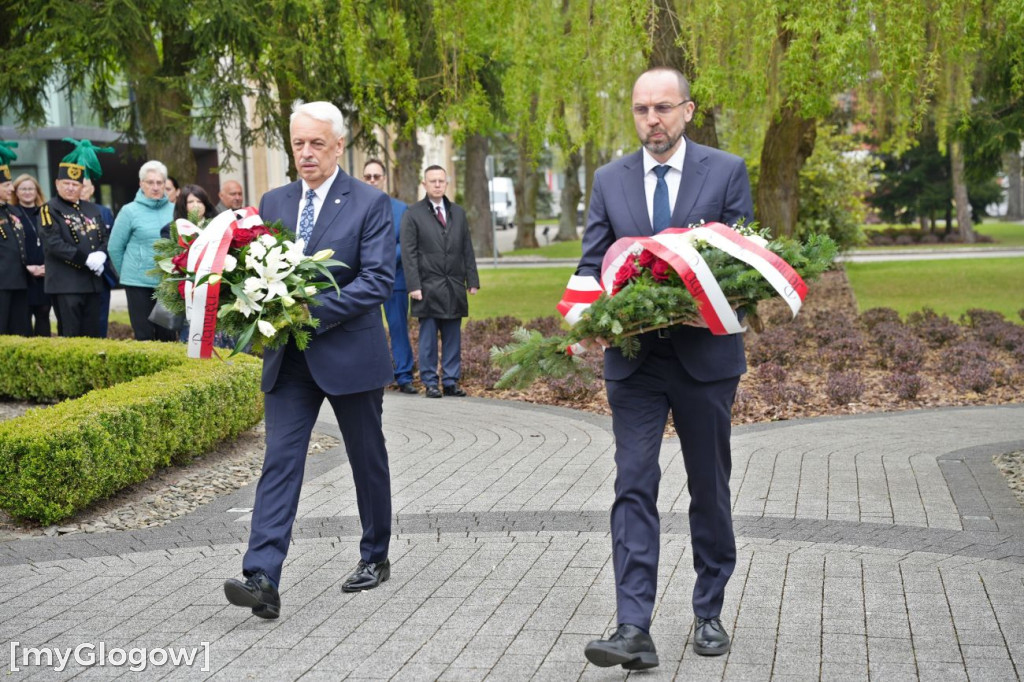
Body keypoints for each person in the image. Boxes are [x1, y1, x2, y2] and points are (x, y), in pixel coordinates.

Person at [579, 67, 755, 669]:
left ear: (687, 110)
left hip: (705, 358)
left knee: (709, 486)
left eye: (662, 107)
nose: (651, 119)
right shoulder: (609, 180)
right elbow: (591, 265)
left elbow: (742, 266)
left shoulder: (725, 172)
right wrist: (586, 317)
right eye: (641, 109)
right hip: (634, 363)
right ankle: (634, 627)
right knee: (633, 484)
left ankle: (709, 611)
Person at [223, 101, 395, 619]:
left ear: (339, 145)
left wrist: (307, 311)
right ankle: (262, 577)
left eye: (317, 143)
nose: (306, 153)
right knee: (280, 460)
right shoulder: (273, 201)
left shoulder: (369, 202)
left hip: (349, 352)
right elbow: (251, 267)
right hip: (289, 359)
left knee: (366, 457)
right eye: (298, 143)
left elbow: (377, 281)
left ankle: (375, 555)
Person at [400, 165, 479, 399]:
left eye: (441, 181)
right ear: (424, 184)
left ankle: (451, 381)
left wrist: (472, 279)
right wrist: (414, 285)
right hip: (426, 287)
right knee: (428, 340)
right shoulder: (413, 214)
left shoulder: (458, 213)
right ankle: (430, 382)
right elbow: (408, 253)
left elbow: (467, 248)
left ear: (447, 183)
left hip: (453, 285)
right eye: (432, 181)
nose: (437, 185)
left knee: (453, 336)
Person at [39, 150, 109, 338]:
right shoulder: (49, 209)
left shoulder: (92, 209)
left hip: (92, 283)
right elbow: (53, 243)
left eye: (75, 184)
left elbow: (105, 236)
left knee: (93, 336)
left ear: (81, 186)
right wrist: (85, 259)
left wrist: (102, 253)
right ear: (57, 184)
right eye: (66, 183)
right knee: (71, 336)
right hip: (66, 284)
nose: (71, 188)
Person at [107, 160, 176, 342]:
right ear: (141, 184)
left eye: (159, 182)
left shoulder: (175, 210)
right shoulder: (129, 211)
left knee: (168, 335)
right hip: (138, 284)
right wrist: (128, 274)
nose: (155, 187)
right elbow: (114, 247)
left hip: (168, 283)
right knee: (144, 335)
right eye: (150, 182)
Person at [363, 158, 416, 394]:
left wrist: (380, 262)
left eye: (376, 176)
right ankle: (372, 375)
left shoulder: (400, 209)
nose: (372, 180)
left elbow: (405, 244)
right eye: (368, 177)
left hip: (395, 279)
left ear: (384, 179)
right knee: (366, 330)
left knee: (398, 328)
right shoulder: (355, 207)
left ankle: (404, 376)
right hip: (364, 282)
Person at [9, 174, 50, 336]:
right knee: (23, 318)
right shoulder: (11, 214)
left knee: (44, 314)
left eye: (31, 189)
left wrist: (47, 266)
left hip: (45, 273)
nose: (27, 192)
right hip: (22, 274)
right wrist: (27, 268)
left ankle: (44, 350)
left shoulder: (46, 213)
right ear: (16, 192)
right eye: (23, 189)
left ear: (37, 191)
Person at [80, 176, 117, 337]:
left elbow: (112, 239)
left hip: (101, 275)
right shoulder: (61, 212)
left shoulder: (104, 212)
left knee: (100, 322)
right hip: (75, 275)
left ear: (92, 189)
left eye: (84, 186)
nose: (81, 190)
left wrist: (102, 255)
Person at [0, 144, 30, 336]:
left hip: (19, 280)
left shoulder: (12, 211)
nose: (12, 188)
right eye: (6, 185)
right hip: (1, 283)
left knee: (21, 332)